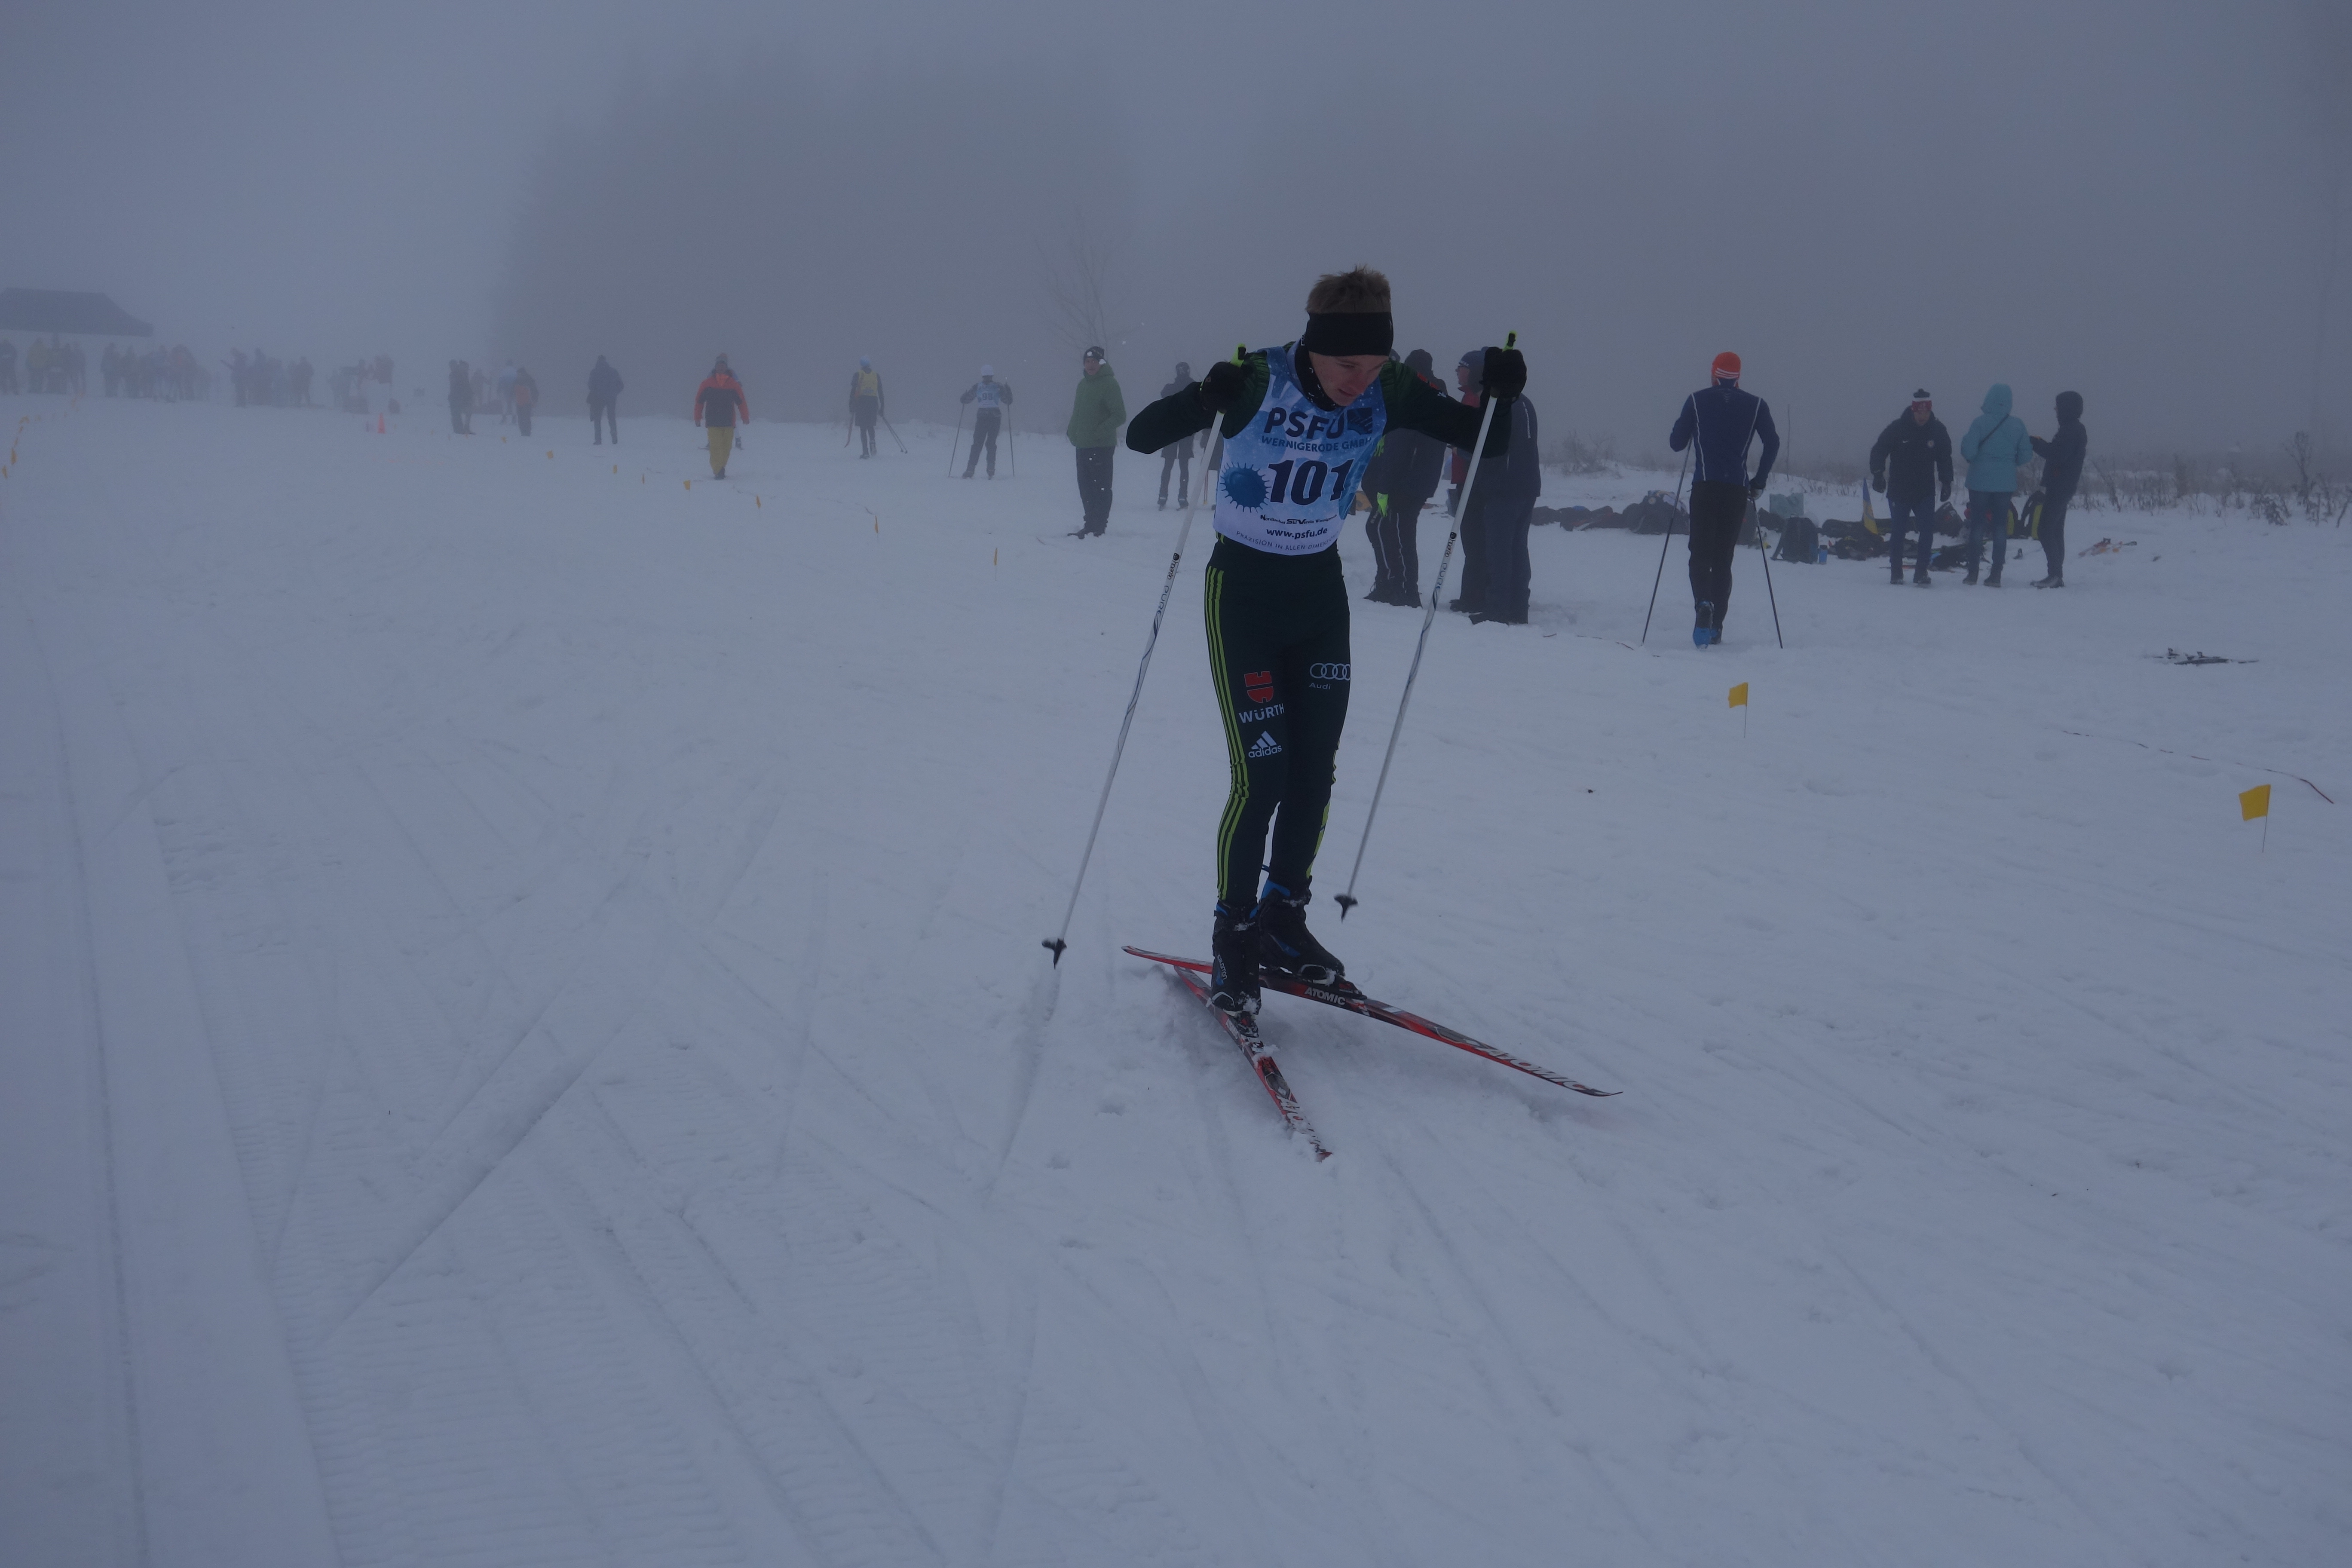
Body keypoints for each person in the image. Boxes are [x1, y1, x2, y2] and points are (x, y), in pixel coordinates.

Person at [1122, 266, 1522, 1016]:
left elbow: (1489, 440)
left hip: (1318, 595)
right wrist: (1202, 399)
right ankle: (1235, 934)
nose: (1358, 382)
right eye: (1346, 365)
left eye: (1372, 365)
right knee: (1262, 776)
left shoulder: (1390, 387)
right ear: (1312, 346)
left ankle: (1282, 915)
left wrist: (1501, 392)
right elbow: (1142, 437)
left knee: (1314, 769)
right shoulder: (1257, 379)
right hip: (1243, 595)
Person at [1668, 351, 1779, 645]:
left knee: (1699, 554)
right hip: (1736, 490)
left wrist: (1691, 428)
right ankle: (1716, 627)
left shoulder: (1697, 400)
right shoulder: (1757, 405)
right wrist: (1759, 481)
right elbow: (1773, 443)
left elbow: (1677, 444)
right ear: (1738, 377)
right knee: (1723, 558)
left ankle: (1703, 604)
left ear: (1714, 373)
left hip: (1705, 487)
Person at [1357, 349, 1451, 607]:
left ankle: (1405, 590)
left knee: (1395, 533)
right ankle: (1391, 583)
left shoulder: (1416, 397)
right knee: (1385, 530)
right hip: (1405, 479)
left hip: (1405, 482)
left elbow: (1402, 446)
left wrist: (1386, 486)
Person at [1869, 389, 1954, 585]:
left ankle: (1922, 572)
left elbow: (1945, 458)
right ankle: (1896, 572)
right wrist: (1878, 474)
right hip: (1900, 490)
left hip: (1925, 491)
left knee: (1927, 531)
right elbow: (1879, 450)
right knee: (1898, 532)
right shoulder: (1898, 428)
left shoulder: (1937, 430)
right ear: (1913, 410)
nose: (1923, 416)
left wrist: (1946, 482)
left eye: (1926, 412)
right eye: (1919, 412)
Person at [1958, 383, 2033, 585]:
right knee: (2000, 527)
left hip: (1979, 483)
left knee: (1977, 526)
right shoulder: (2017, 425)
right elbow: (2026, 455)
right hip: (2004, 484)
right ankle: (1996, 574)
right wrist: (2009, 464)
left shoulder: (1979, 423)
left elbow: (1969, 451)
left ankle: (1973, 573)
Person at [2028, 391, 2087, 588]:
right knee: (2055, 530)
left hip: (2061, 487)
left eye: (2058, 406)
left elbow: (2058, 455)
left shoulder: (2071, 430)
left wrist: (2036, 444)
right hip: (2062, 486)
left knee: (2045, 530)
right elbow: (2059, 452)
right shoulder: (2071, 429)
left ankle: (2055, 574)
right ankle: (2056, 575)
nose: (2055, 410)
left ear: (2066, 408)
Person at [1066, 346, 1126, 536]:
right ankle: (1090, 524)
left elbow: (1119, 415)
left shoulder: (1109, 384)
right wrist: (1072, 431)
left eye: (1094, 362)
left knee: (1100, 488)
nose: (1090, 365)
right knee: (1086, 488)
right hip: (1082, 445)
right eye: (1088, 361)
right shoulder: (1082, 385)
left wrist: (1099, 432)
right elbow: (1078, 413)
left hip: (1101, 446)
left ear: (1101, 363)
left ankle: (1099, 527)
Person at [693, 353, 749, 478]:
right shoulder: (707, 384)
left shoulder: (733, 384)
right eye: (719, 365)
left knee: (726, 448)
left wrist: (745, 416)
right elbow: (699, 401)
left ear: (726, 367)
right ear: (716, 366)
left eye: (723, 365)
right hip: (713, 422)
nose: (721, 367)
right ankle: (718, 470)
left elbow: (741, 402)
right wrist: (697, 417)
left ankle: (721, 467)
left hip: (729, 422)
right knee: (715, 447)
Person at [1157, 362, 1203, 508]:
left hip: (1172, 430)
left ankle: (1163, 495)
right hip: (1186, 430)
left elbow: (1164, 399)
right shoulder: (1195, 388)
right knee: (1184, 465)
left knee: (1169, 464)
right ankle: (1182, 496)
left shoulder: (1170, 388)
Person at [959, 366, 1011, 477]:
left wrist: (964, 397)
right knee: (991, 444)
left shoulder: (978, 387)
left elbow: (966, 400)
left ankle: (970, 470)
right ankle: (991, 469)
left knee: (978, 444)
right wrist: (1008, 392)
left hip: (983, 417)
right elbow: (1007, 401)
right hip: (995, 417)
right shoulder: (998, 386)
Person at [848, 357, 884, 457]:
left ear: (861, 365)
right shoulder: (876, 375)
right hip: (873, 402)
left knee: (863, 428)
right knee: (871, 425)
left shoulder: (858, 374)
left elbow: (853, 391)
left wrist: (851, 405)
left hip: (861, 402)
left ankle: (865, 452)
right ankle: (872, 441)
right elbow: (880, 392)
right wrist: (882, 407)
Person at [588, 355, 622, 444]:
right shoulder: (613, 371)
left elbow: (590, 385)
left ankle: (598, 439)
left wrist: (596, 392)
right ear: (606, 361)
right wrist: (614, 393)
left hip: (598, 398)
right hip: (611, 398)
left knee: (597, 419)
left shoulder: (594, 372)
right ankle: (614, 432)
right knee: (611, 417)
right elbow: (621, 385)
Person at [447, 359, 473, 433]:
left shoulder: (460, 374)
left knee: (458, 413)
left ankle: (461, 429)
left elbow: (463, 386)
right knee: (457, 413)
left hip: (460, 397)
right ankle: (459, 429)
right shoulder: (455, 374)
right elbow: (455, 387)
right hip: (457, 397)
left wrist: (468, 395)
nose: (451, 368)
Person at [511, 365, 538, 436]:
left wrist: (535, 400)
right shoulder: (516, 381)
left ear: (523, 374)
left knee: (526, 417)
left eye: (519, 374)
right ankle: (523, 432)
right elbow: (513, 391)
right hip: (519, 402)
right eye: (518, 374)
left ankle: (527, 432)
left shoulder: (530, 381)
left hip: (527, 402)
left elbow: (535, 391)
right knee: (520, 418)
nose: (518, 376)